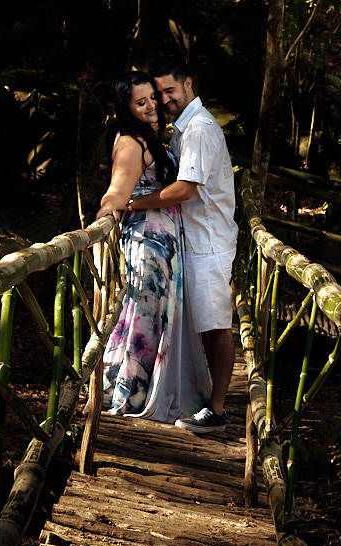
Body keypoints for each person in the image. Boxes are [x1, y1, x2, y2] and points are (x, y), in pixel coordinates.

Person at [124, 58, 238, 435]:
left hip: (210, 243)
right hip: (193, 242)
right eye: (159, 94)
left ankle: (217, 409)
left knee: (217, 325)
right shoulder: (183, 129)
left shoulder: (201, 129)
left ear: (189, 84)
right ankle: (205, 400)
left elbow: (185, 189)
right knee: (204, 325)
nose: (164, 100)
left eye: (170, 91)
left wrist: (133, 202)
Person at [95, 71, 210, 422]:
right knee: (144, 318)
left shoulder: (150, 138)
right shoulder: (131, 142)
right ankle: (129, 393)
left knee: (157, 318)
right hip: (148, 243)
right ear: (127, 108)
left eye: (152, 99)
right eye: (140, 102)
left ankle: (146, 387)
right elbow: (118, 189)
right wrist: (109, 209)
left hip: (165, 242)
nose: (150, 106)